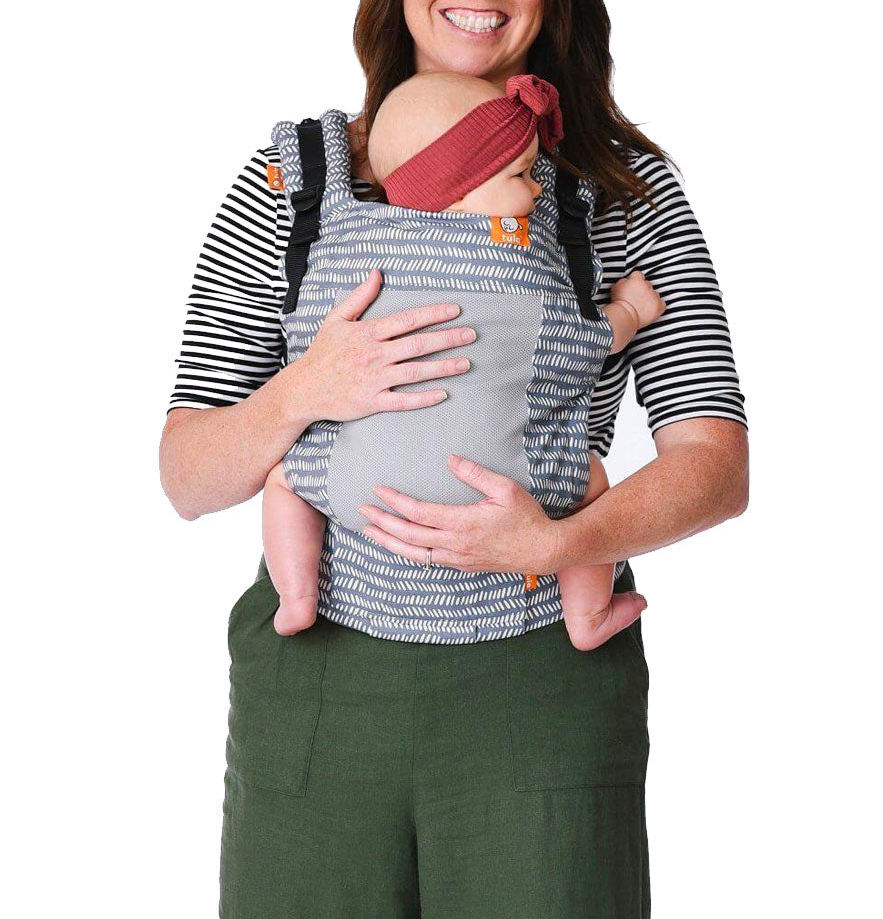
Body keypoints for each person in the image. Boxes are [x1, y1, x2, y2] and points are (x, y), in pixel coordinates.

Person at [159, 0, 748, 917]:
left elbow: (715, 465)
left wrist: (561, 545)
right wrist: (307, 389)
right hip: (323, 683)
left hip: (535, 687)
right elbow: (188, 476)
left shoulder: (624, 195)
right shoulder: (291, 183)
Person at [262, 69, 666, 653]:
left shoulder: (345, 252)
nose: (535, 193)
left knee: (284, 479)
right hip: (506, 485)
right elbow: (581, 346)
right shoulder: (519, 275)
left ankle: (297, 596)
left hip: (361, 488)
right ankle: (587, 614)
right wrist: (627, 310)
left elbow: (304, 334)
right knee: (592, 482)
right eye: (521, 176)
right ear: (459, 188)